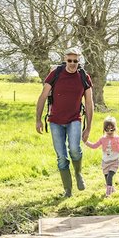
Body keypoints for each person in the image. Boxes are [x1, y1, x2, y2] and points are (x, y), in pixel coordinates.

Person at [35, 48, 94, 197]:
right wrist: (38, 120)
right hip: (55, 121)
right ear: (65, 59)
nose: (72, 64)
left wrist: (88, 128)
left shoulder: (84, 77)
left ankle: (78, 173)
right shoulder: (55, 74)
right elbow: (42, 97)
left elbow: (89, 103)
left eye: (75, 61)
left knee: (74, 149)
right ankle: (68, 190)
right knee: (61, 156)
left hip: (74, 119)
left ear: (79, 61)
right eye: (70, 60)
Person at [85, 116, 119, 197]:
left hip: (114, 161)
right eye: (107, 129)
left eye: (112, 129)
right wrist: (86, 142)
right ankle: (112, 188)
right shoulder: (102, 139)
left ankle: (108, 193)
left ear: (115, 128)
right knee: (107, 178)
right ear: (104, 129)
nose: (110, 131)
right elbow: (94, 146)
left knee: (110, 176)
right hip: (105, 162)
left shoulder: (118, 138)